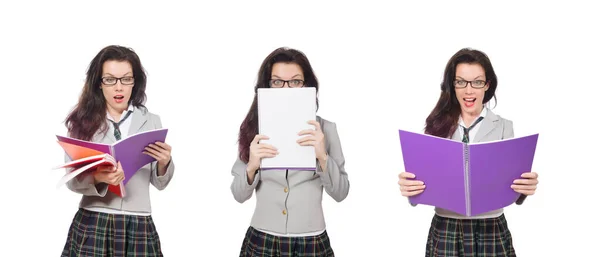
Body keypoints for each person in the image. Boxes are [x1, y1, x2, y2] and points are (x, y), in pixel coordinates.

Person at [398, 48, 539, 257]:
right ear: (452, 85)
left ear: (487, 85)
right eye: (461, 82)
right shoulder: (436, 126)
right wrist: (411, 190)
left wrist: (524, 188)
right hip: (447, 227)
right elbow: (423, 188)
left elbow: (512, 187)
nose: (469, 90)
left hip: (491, 226)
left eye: (477, 82)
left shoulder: (504, 127)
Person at [231, 47, 350, 257]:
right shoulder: (253, 129)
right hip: (262, 238)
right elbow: (239, 195)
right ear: (266, 86)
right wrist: (252, 167)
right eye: (277, 82)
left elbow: (341, 193)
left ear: (308, 86)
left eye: (295, 81)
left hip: (312, 240)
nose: (286, 88)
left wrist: (323, 157)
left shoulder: (326, 130)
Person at [61, 45, 175, 257]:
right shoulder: (81, 122)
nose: (119, 87)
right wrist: (98, 178)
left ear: (135, 82)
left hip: (138, 222)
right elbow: (72, 180)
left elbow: (161, 183)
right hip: (94, 220)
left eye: (126, 79)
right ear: (99, 84)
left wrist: (164, 163)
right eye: (110, 79)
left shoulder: (152, 121)